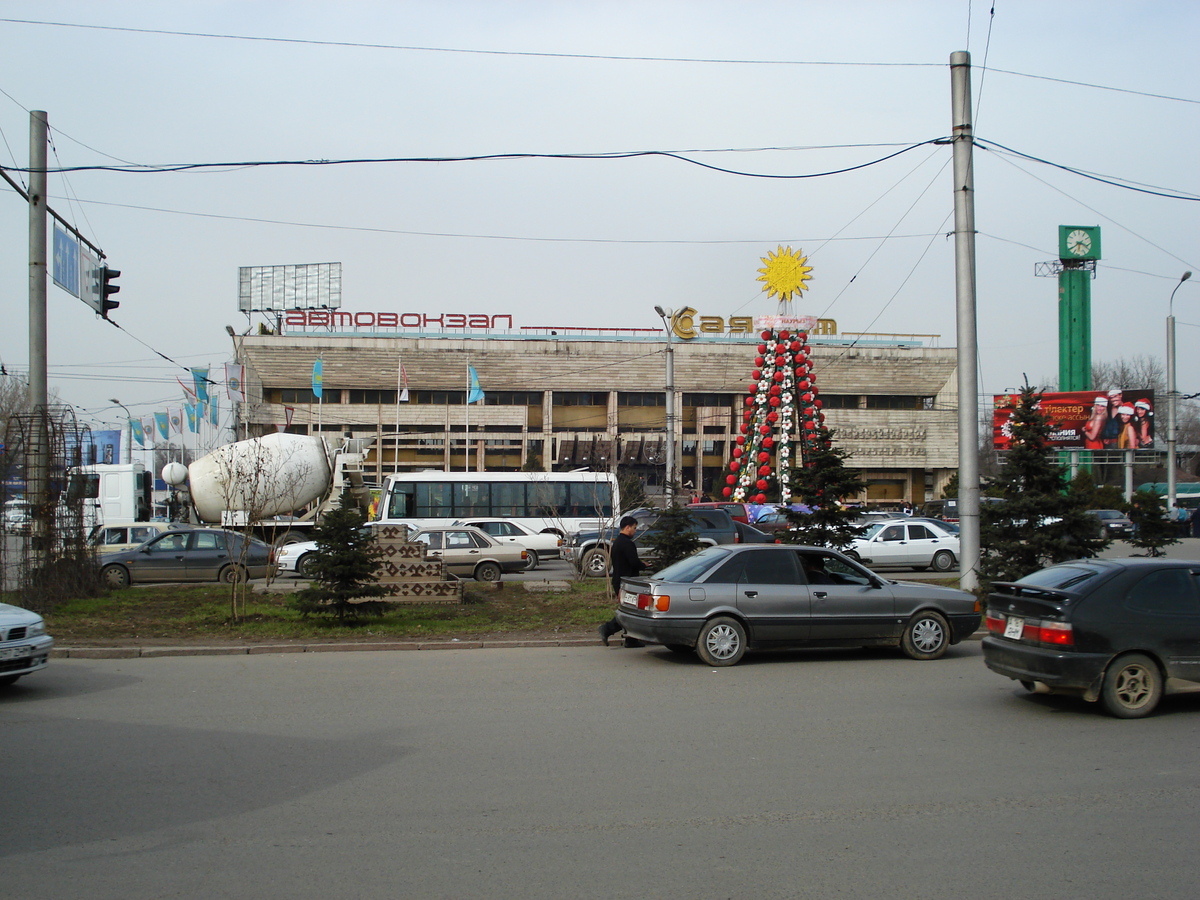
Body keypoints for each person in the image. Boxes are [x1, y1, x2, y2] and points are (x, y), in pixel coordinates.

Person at [598, 516, 646, 646]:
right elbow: (633, 562)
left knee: (631, 610)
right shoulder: (627, 543)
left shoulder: (617, 542)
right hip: (627, 582)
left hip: (620, 580)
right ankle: (607, 629)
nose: (635, 531)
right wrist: (644, 565)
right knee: (630, 611)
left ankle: (631, 639)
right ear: (627, 527)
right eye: (634, 528)